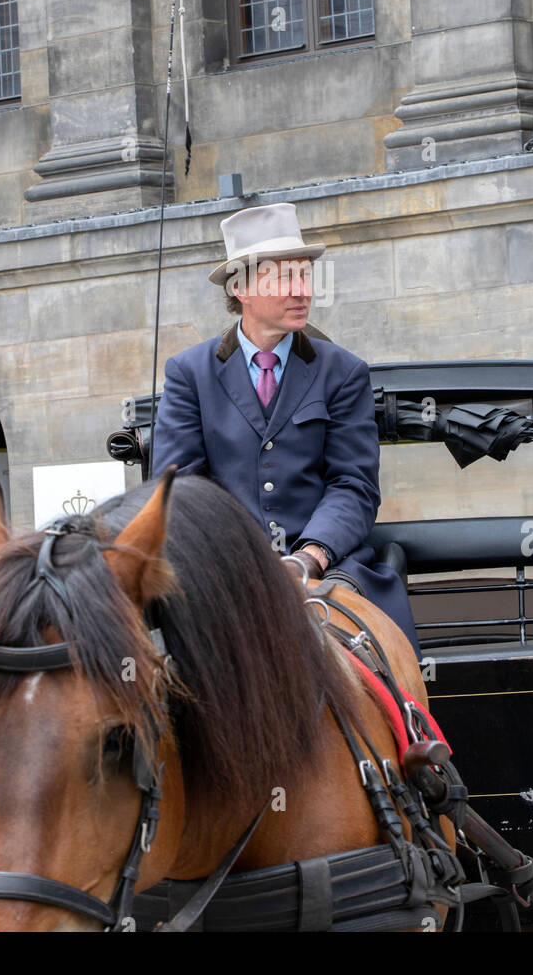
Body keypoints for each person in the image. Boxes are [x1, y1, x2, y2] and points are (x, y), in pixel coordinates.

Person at [151, 202, 419, 650]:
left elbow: (353, 484)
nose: (302, 291)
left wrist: (309, 557)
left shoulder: (344, 372)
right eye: (283, 278)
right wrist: (240, 563)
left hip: (329, 567)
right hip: (226, 568)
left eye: (304, 275)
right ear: (241, 289)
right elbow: (181, 491)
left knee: (370, 659)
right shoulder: (189, 374)